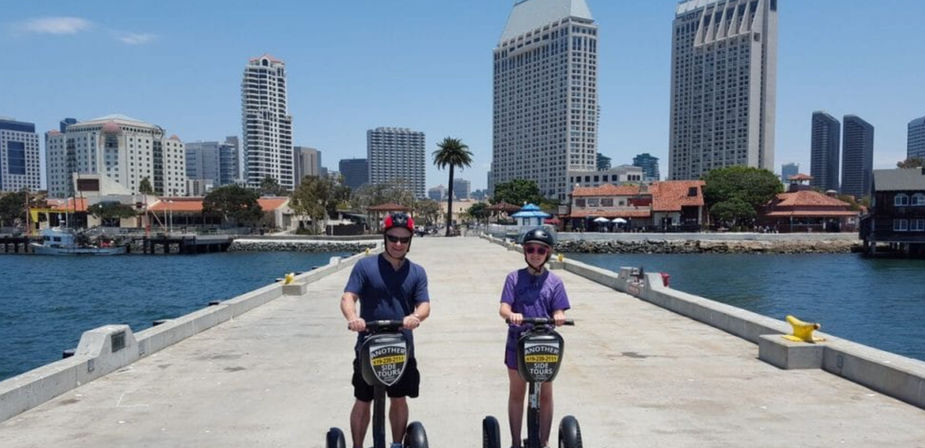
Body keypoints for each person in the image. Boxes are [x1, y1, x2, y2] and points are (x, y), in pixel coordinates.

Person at [340, 212, 431, 448]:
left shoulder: (417, 272)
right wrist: (353, 318)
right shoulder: (365, 266)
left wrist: (415, 316)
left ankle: (397, 444)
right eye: (393, 238)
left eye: (403, 239)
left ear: (410, 240)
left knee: (399, 399)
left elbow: (424, 304)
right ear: (385, 237)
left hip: (401, 348)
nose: (398, 244)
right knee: (363, 399)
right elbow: (348, 297)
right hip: (368, 347)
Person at [498, 227, 570, 448]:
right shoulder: (513, 278)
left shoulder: (555, 282)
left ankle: (544, 441)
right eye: (531, 249)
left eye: (540, 250)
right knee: (517, 392)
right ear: (525, 251)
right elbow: (503, 308)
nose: (535, 254)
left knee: (546, 393)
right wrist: (512, 315)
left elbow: (560, 310)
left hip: (544, 344)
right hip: (518, 343)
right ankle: (515, 442)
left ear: (547, 253)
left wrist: (558, 316)